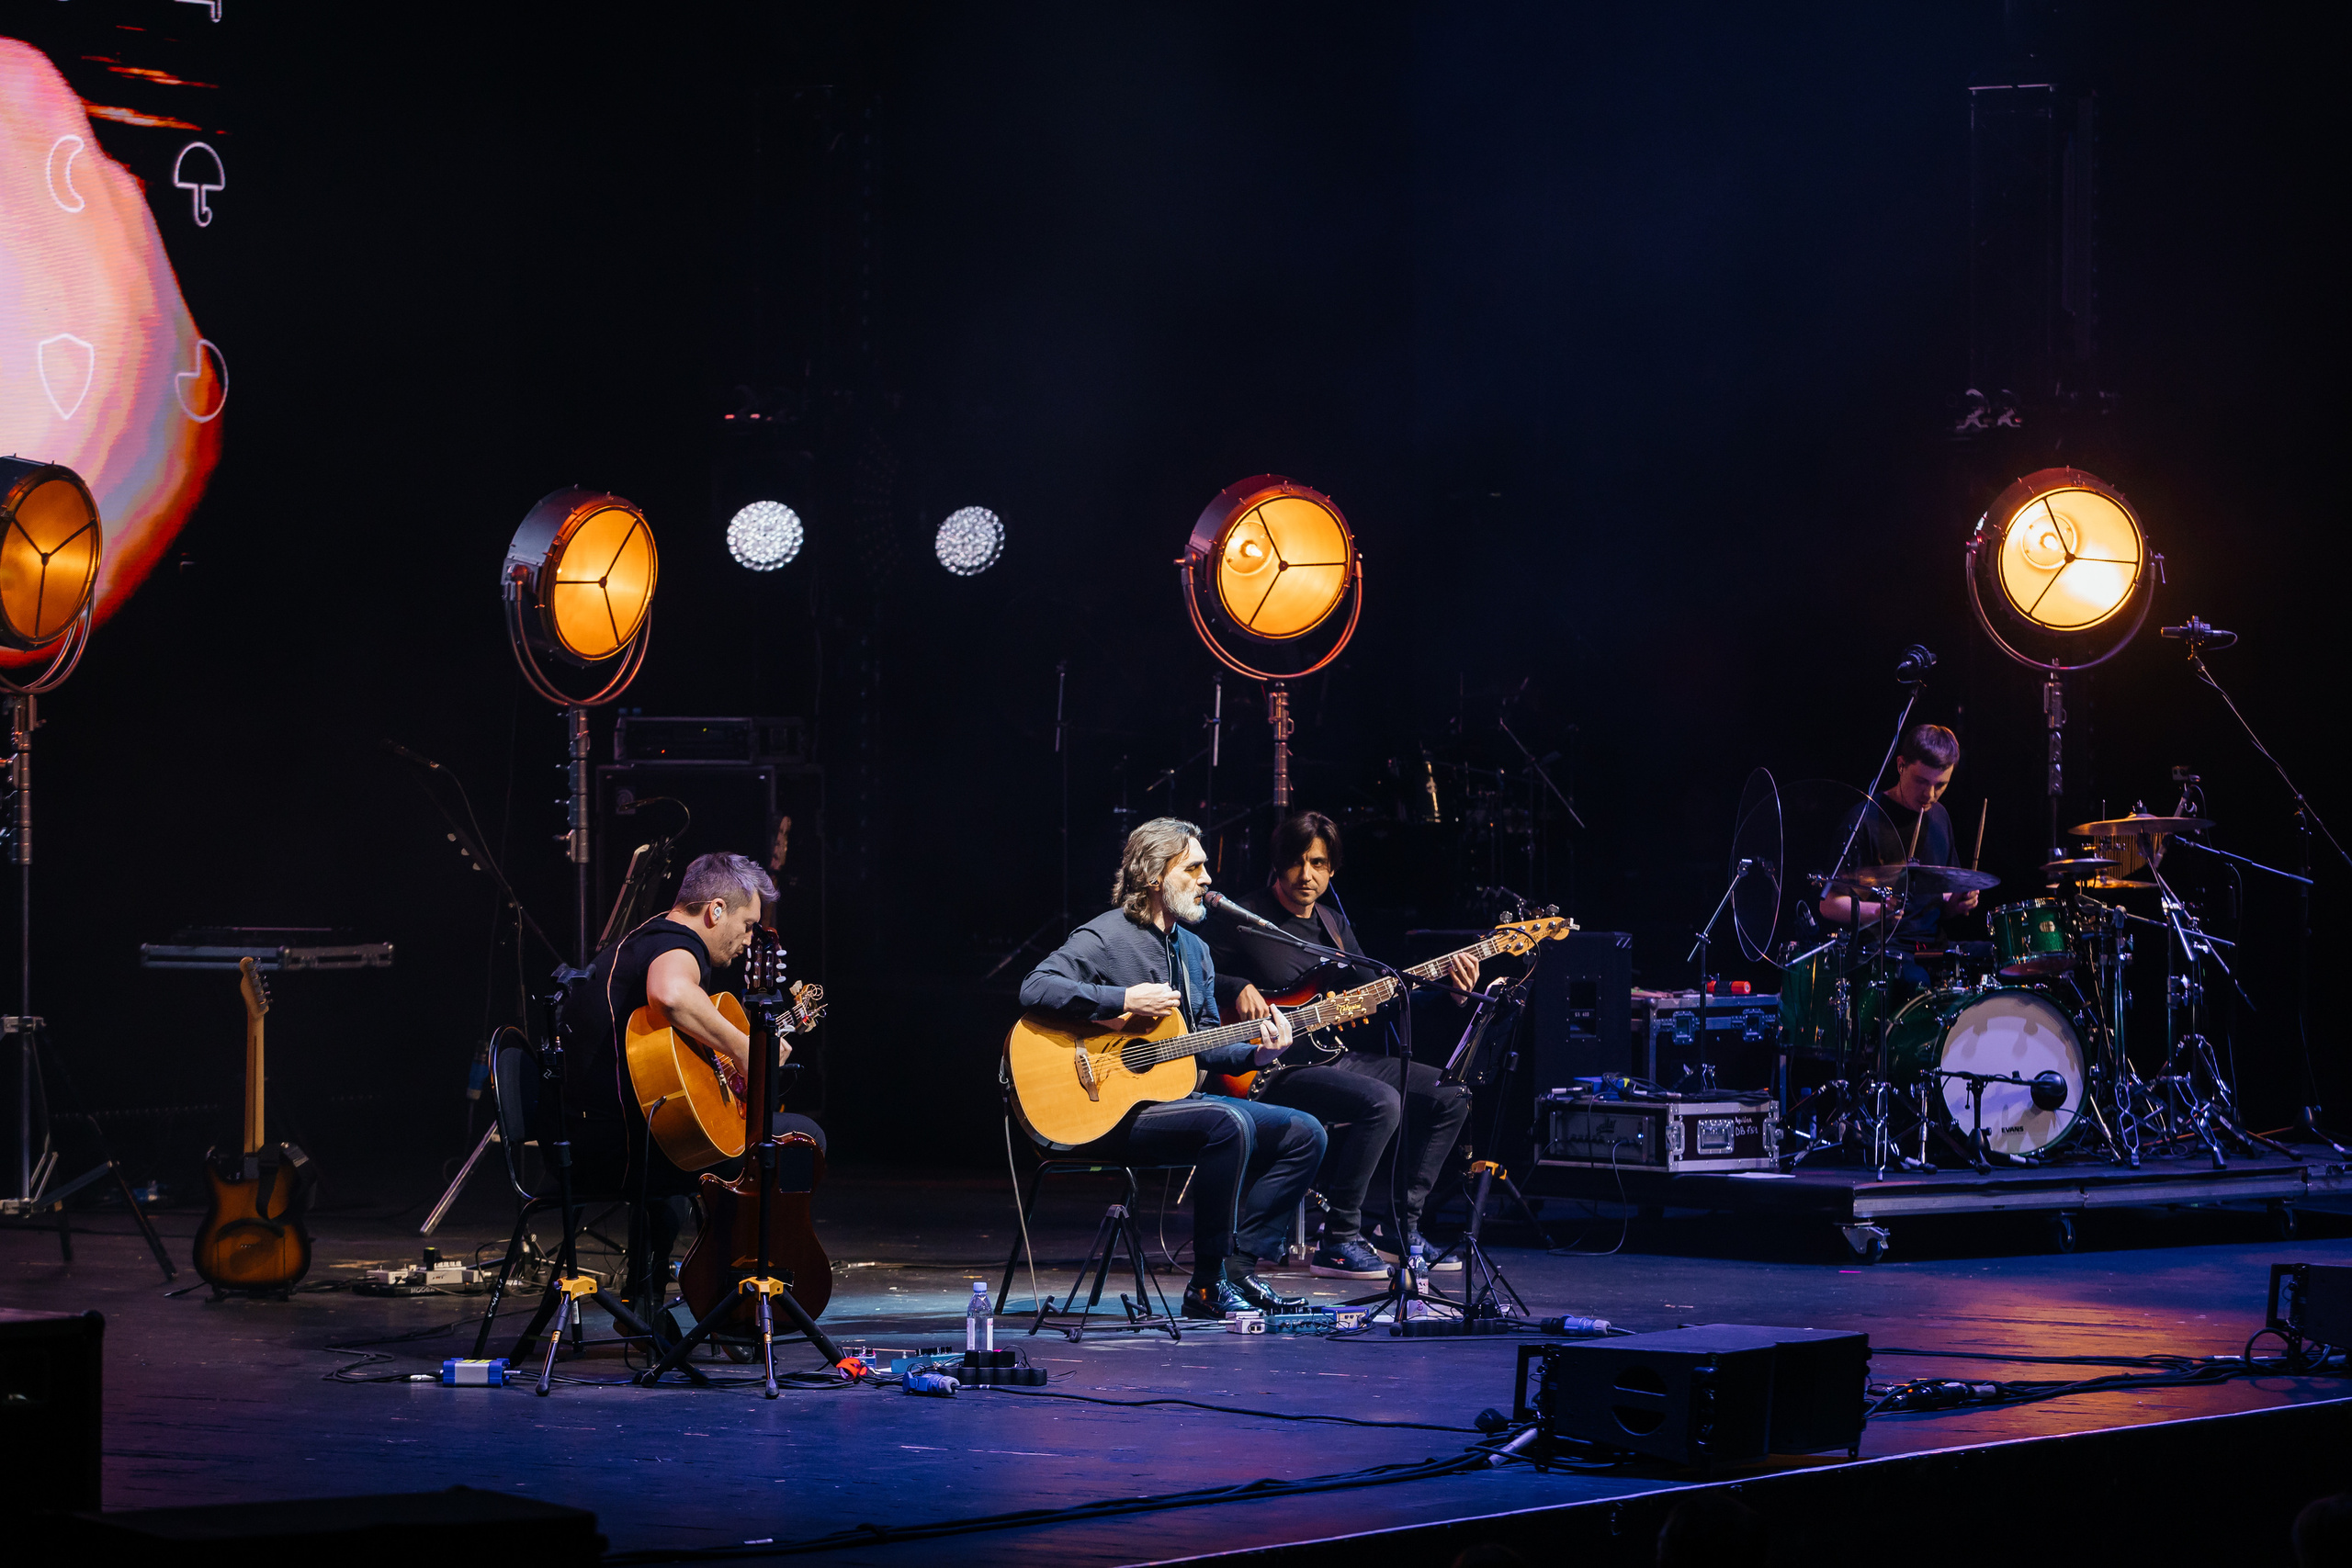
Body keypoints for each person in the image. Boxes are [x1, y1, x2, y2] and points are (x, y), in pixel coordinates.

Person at [1019, 817, 1328, 1319]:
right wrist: (1122, 999)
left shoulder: (1196, 951)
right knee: (1227, 1122)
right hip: (1104, 1111)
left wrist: (1258, 1054)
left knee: (1305, 1132)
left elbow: (1205, 1042)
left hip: (1173, 1103)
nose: (1208, 879)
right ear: (1153, 876)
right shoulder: (1105, 936)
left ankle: (1238, 1269)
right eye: (1194, 868)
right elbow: (1035, 987)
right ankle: (1205, 1286)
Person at [1208, 811, 1480, 1280]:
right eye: (1296, 862)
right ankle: (1339, 1240)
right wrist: (1235, 986)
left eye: (1318, 863)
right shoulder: (1244, 918)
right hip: (1265, 1067)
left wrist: (1448, 992)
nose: (1306, 875)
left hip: (1328, 1055)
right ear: (1277, 864)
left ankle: (1399, 1228)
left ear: (1332, 869)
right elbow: (1189, 974)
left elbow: (1382, 995)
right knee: (1382, 1101)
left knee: (1451, 1094)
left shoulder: (1333, 926)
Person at [568, 852, 800, 1313]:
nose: (749, 939)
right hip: (621, 1151)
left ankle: (649, 1301)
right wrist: (748, 1051)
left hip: (593, 1140)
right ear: (716, 910)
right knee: (799, 1142)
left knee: (713, 1142)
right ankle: (736, 1302)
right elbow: (671, 994)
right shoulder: (678, 945)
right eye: (748, 925)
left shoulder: (648, 937)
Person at [1817, 723, 1980, 985]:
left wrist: (1958, 903)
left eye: (1940, 785)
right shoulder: (1864, 820)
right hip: (1885, 951)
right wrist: (1879, 911)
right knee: (1915, 980)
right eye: (1921, 781)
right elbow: (1828, 904)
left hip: (1933, 948)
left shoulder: (1940, 816)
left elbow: (1941, 902)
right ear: (1901, 765)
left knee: (1997, 959)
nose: (1930, 794)